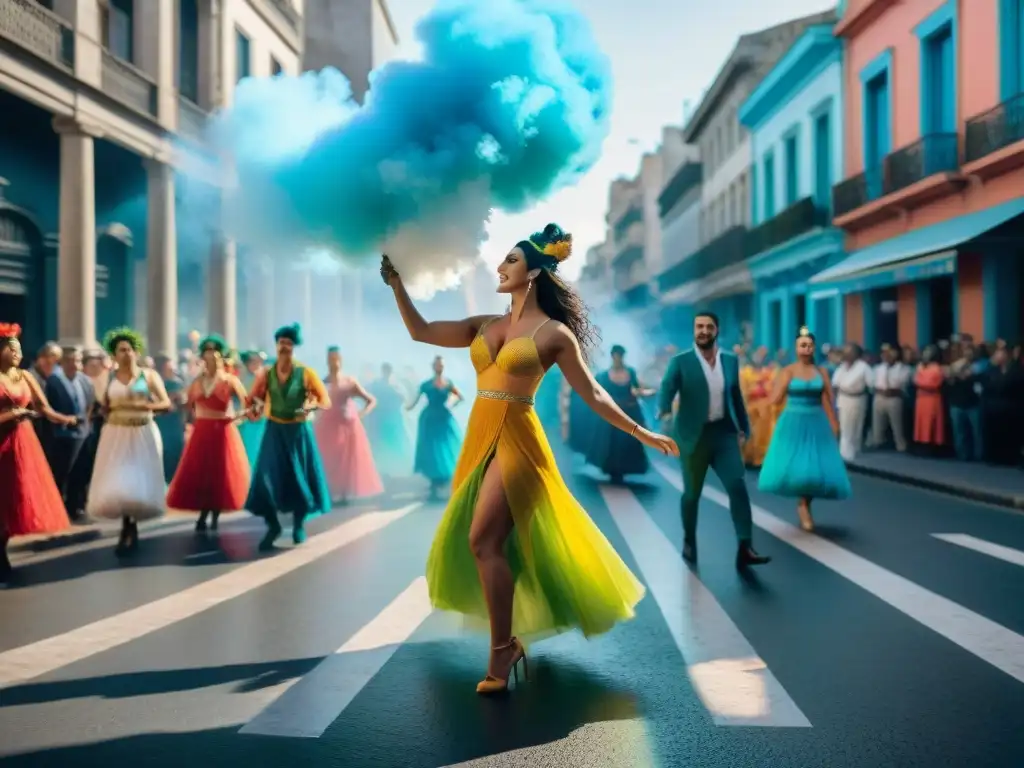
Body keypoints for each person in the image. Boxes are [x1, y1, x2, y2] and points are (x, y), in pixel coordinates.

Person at [380, 223, 678, 696]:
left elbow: (594, 393)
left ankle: (501, 652)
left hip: (520, 439)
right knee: (487, 544)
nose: (501, 267)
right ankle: (509, 642)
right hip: (480, 438)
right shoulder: (485, 325)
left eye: (511, 261)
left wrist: (640, 431)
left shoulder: (554, 333)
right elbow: (420, 332)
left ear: (535, 272)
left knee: (482, 539)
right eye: (503, 261)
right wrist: (398, 285)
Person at [657, 312, 770, 569]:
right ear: (694, 330)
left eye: (709, 327)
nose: (703, 331)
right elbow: (667, 387)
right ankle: (689, 539)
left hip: (723, 433)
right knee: (692, 495)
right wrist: (663, 409)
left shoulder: (730, 360)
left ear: (716, 330)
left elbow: (735, 394)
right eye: (699, 326)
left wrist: (743, 426)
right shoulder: (680, 362)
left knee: (737, 486)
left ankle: (745, 546)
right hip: (693, 435)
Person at [0, 323, 77, 582]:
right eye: (12, 350)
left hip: (22, 441)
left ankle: (3, 549)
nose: (17, 355)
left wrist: (64, 419)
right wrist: (13, 414)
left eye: (19, 350)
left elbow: (44, 409)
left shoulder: (25, 377)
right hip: (2, 439)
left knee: (16, 496)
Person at [244, 323, 332, 551]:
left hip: (298, 433)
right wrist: (253, 407)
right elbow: (253, 397)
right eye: (282, 343)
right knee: (265, 480)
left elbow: (323, 399)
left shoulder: (305, 372)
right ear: (276, 346)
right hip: (274, 431)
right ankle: (272, 526)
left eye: (289, 344)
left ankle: (298, 526)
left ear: (294, 347)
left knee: (299, 480)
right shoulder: (267, 374)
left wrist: (309, 404)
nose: (285, 347)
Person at [85, 327, 171, 556]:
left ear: (136, 352)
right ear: (114, 355)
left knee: (137, 480)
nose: (125, 354)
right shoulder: (108, 377)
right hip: (116, 432)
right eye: (120, 350)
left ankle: (131, 525)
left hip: (142, 431)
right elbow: (102, 406)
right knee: (120, 480)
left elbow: (165, 404)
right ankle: (126, 525)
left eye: (128, 350)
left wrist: (146, 406)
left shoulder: (148, 376)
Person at [757, 327, 850, 531]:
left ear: (814, 348)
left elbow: (827, 400)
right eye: (802, 345)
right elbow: (776, 398)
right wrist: (763, 402)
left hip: (816, 421)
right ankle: (802, 506)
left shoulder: (821, 372)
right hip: (793, 421)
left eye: (809, 345)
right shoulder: (788, 371)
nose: (806, 349)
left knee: (815, 468)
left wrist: (834, 423)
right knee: (798, 467)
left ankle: (805, 503)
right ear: (796, 348)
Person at [166, 335, 251, 533]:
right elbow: (187, 405)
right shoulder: (197, 381)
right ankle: (205, 513)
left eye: (215, 353)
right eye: (207, 353)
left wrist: (238, 419)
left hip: (222, 430)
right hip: (202, 430)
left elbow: (248, 404)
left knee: (219, 472)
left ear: (222, 357)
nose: (211, 357)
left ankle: (212, 514)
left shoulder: (230, 380)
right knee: (202, 472)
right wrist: (180, 411)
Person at [315, 346, 383, 504]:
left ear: (341, 360)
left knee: (346, 460)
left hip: (347, 426)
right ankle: (331, 492)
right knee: (329, 459)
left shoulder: (350, 381)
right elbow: (315, 404)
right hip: (327, 427)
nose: (334, 362)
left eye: (336, 358)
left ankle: (344, 493)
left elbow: (371, 400)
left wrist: (360, 415)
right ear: (327, 361)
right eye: (331, 359)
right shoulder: (322, 382)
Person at [586, 344, 654, 482]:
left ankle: (623, 469)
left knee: (627, 442)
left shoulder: (631, 372)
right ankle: (613, 470)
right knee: (611, 443)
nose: (618, 359)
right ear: (612, 357)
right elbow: (597, 394)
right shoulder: (603, 376)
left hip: (629, 413)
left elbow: (637, 390)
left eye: (620, 356)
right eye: (616, 356)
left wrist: (647, 393)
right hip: (611, 414)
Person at [43, 345, 96, 522]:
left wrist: (85, 421)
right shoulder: (54, 381)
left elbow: (90, 403)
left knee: (80, 474)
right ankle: (57, 510)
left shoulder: (85, 381)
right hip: (62, 436)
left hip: (83, 433)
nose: (75, 364)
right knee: (61, 474)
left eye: (78, 360)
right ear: (63, 362)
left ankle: (76, 507)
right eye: (71, 360)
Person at [408, 355, 464, 499]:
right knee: (431, 448)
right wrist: (407, 407)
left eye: (442, 365)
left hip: (444, 418)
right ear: (433, 366)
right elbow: (414, 400)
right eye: (438, 365)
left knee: (446, 446)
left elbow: (460, 397)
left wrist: (451, 404)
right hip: (429, 419)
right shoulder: (426, 384)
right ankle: (434, 480)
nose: (440, 367)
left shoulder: (448, 383)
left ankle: (444, 477)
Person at [364, 362, 415, 478]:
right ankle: (381, 468)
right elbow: (367, 394)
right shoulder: (377, 384)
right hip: (380, 419)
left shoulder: (396, 385)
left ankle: (397, 467)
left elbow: (403, 398)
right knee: (379, 443)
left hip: (392, 420)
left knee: (396, 442)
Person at [831, 343, 871, 461]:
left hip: (857, 399)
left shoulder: (864, 367)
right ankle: (845, 454)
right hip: (843, 399)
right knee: (845, 427)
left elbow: (870, 385)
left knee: (855, 428)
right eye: (845, 352)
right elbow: (835, 383)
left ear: (856, 354)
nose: (846, 355)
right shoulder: (842, 367)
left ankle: (854, 454)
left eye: (849, 352)